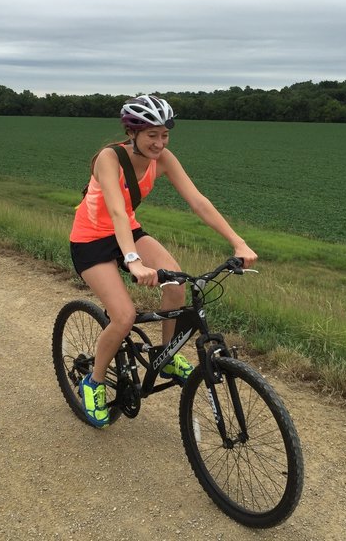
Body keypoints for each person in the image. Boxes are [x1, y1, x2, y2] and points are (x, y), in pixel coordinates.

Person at [69, 95, 258, 428]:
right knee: (124, 316)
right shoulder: (108, 158)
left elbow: (198, 202)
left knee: (177, 283)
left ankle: (166, 357)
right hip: (90, 241)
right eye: (151, 135)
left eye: (164, 135)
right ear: (133, 132)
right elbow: (115, 210)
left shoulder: (164, 158)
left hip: (128, 231)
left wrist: (237, 241)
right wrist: (133, 261)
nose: (159, 142)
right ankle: (93, 382)